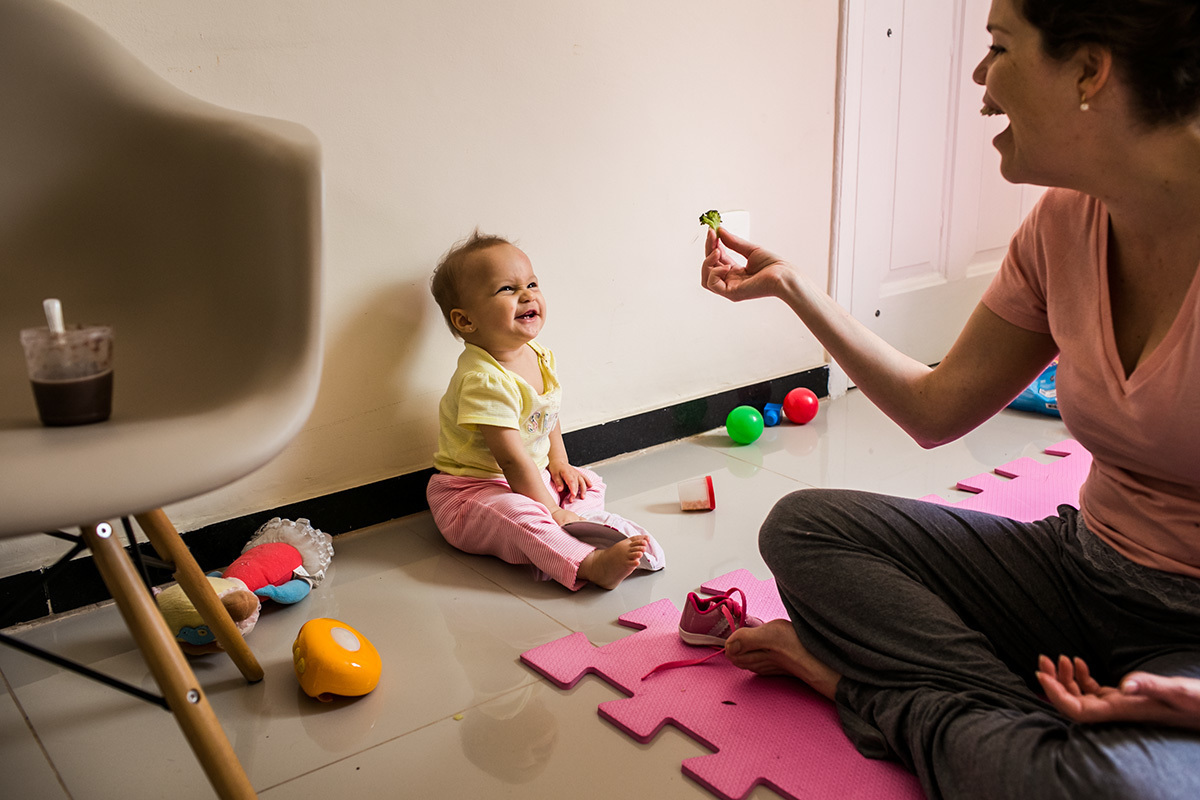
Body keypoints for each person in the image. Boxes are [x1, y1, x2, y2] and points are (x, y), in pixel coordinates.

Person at [701, 0, 1200, 796]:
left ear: (1089, 70)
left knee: (1114, 791)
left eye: (999, 47)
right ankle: (1030, 741)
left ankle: (866, 693)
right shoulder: (1061, 224)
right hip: (1080, 571)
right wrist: (794, 289)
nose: (979, 80)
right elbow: (938, 410)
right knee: (806, 528)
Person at [426, 231, 664, 590]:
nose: (527, 295)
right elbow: (510, 460)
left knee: (586, 483)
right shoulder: (483, 379)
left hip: (526, 479)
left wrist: (560, 463)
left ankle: (586, 523)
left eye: (532, 284)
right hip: (472, 495)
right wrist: (550, 510)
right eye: (507, 289)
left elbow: (546, 416)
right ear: (466, 321)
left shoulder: (538, 355)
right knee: (520, 514)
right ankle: (588, 561)